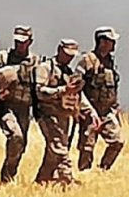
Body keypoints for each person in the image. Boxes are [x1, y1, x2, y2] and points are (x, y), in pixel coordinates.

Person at [32, 39, 91, 185]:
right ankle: (67, 179)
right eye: (66, 54)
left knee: (54, 152)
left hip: (64, 117)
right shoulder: (45, 68)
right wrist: (63, 90)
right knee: (60, 149)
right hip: (47, 115)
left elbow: (77, 95)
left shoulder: (68, 72)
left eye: (71, 56)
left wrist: (89, 111)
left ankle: (42, 180)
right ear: (59, 50)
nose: (69, 58)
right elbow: (39, 91)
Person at [0, 24, 39, 184]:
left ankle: (9, 175)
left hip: (25, 108)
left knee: (21, 145)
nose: (20, 45)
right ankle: (6, 177)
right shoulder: (1, 58)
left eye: (23, 42)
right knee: (16, 136)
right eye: (17, 41)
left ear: (30, 42)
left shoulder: (35, 62)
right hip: (6, 107)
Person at [78, 26, 125, 171]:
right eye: (111, 41)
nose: (114, 44)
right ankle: (84, 174)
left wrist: (115, 107)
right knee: (87, 148)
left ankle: (103, 170)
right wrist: (88, 111)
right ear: (102, 42)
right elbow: (76, 88)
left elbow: (113, 87)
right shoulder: (87, 60)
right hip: (90, 113)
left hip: (107, 112)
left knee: (118, 141)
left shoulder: (110, 62)